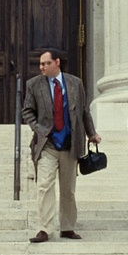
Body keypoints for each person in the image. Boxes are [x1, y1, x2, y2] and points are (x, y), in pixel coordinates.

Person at [22, 49, 100, 243]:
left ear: (57, 62)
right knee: (44, 185)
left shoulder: (75, 83)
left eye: (45, 63)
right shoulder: (33, 85)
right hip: (47, 144)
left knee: (68, 189)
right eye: (40, 64)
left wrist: (92, 133)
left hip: (70, 143)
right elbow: (27, 111)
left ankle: (67, 228)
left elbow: (83, 111)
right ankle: (45, 229)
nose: (41, 67)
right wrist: (39, 129)